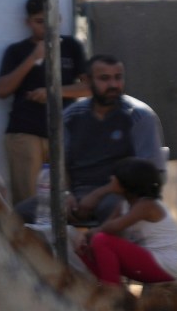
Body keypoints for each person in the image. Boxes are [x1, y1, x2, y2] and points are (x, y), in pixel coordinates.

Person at [0, 0, 88, 207]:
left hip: (62, 133)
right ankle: (30, 239)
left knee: (66, 201)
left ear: (60, 19)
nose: (46, 26)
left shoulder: (72, 46)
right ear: (28, 22)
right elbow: (2, 90)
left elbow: (89, 88)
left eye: (51, 20)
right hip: (25, 132)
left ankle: (64, 240)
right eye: (39, 21)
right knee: (28, 203)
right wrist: (34, 58)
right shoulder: (17, 51)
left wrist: (53, 92)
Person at [52, 55, 166, 225]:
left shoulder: (139, 116)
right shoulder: (70, 117)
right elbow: (59, 167)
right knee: (23, 213)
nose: (113, 85)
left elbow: (150, 176)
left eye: (118, 77)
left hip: (121, 193)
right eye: (104, 78)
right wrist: (65, 194)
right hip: (77, 193)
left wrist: (98, 195)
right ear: (87, 81)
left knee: (115, 212)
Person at [76, 157, 177, 286]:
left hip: (163, 265)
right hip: (144, 261)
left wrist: (106, 189)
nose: (111, 179)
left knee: (101, 240)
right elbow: (103, 227)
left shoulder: (147, 205)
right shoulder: (124, 204)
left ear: (129, 183)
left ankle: (112, 291)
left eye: (116, 178)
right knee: (85, 247)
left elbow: (111, 228)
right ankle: (107, 288)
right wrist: (86, 237)